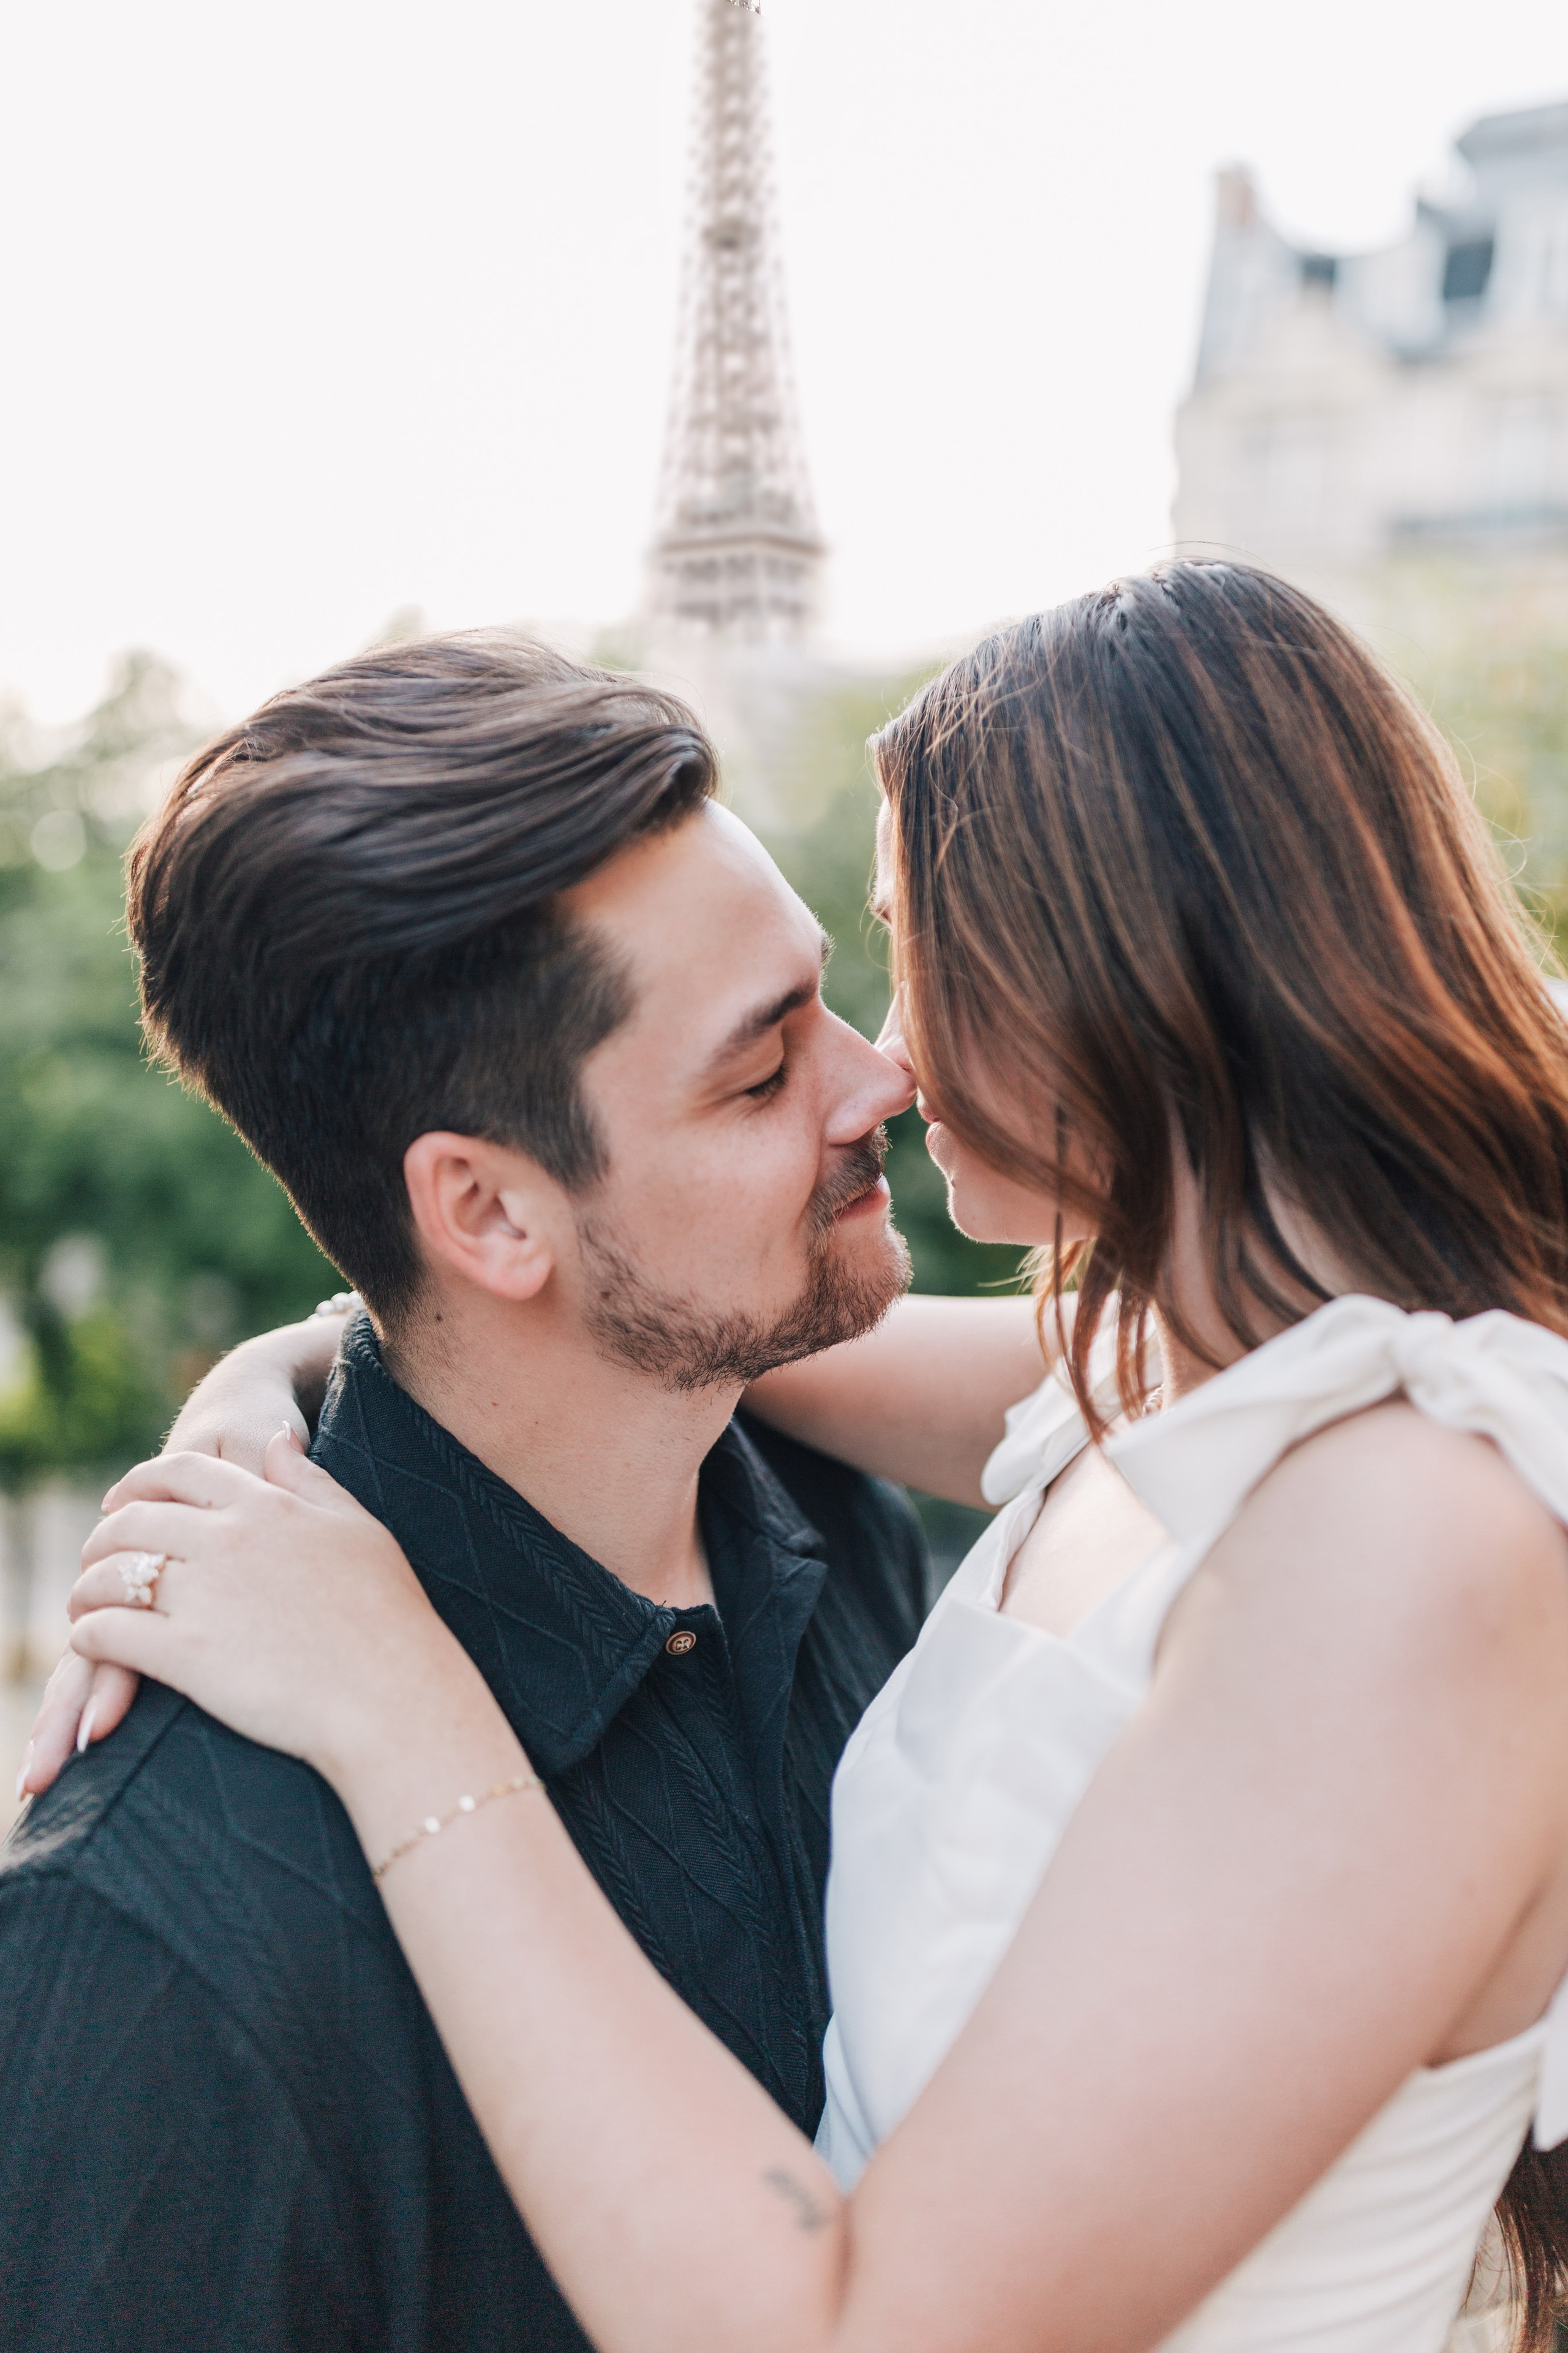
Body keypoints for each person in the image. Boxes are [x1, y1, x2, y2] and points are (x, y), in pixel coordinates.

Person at [34, 561, 1568, 2351]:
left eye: (903, 966)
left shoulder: (1404, 1527)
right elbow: (630, 1321)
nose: (885, 1069)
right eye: (769, 1066)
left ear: (1129, 977)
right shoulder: (1163, 1372)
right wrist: (282, 1387)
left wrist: (400, 1700)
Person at [0, 630, 1057, 2353]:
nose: (884, 1081)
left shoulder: (846, 1514)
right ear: (488, 1215)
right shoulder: (155, 1934)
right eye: (762, 1066)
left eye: (825, 999)